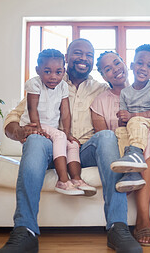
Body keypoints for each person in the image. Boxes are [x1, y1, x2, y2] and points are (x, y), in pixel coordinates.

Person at [0, 39, 143, 253]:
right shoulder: (47, 80)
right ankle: (25, 231)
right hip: (51, 150)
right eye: (77, 53)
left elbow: (128, 91)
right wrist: (20, 131)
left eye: (89, 55)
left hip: (85, 149)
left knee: (106, 137)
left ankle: (117, 227)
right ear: (67, 58)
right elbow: (13, 119)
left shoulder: (101, 88)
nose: (84, 58)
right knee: (36, 139)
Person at [92, 50, 150, 247]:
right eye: (108, 69)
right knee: (149, 141)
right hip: (126, 145)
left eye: (117, 63)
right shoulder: (100, 100)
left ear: (126, 64)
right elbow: (105, 139)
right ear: (103, 75)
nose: (115, 70)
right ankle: (143, 220)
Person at [22, 48, 96, 196]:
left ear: (64, 71)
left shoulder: (62, 85)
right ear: (38, 70)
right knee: (60, 137)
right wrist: (38, 129)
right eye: (47, 71)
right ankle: (63, 180)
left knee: (72, 143)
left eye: (58, 72)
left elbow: (65, 112)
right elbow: (32, 108)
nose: (53, 77)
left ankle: (76, 179)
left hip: (52, 128)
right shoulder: (34, 84)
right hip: (34, 124)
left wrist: (67, 133)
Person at [110, 44, 150, 194]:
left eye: (149, 65)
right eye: (140, 63)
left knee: (135, 121)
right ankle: (131, 173)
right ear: (132, 65)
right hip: (136, 126)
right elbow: (124, 120)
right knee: (120, 131)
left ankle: (136, 154)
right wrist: (122, 118)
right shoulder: (125, 92)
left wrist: (132, 116)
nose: (143, 68)